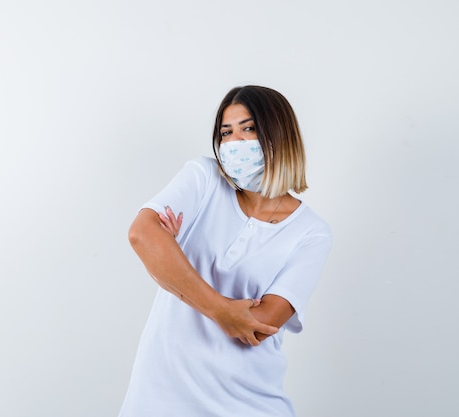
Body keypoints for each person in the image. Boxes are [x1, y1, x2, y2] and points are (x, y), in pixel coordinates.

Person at [118, 85, 332, 417]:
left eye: (248, 129)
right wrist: (222, 310)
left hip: (249, 404)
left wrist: (172, 260)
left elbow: (260, 327)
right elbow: (141, 234)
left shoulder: (311, 233)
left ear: (280, 134)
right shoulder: (204, 178)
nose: (235, 143)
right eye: (226, 133)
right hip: (160, 398)